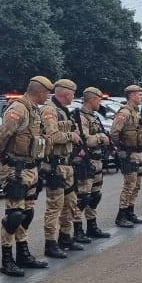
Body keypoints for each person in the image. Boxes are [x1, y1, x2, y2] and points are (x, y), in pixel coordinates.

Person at [0, 76, 53, 274]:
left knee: (26, 213)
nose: (48, 97)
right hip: (15, 169)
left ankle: (23, 253)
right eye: (47, 93)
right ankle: (7, 259)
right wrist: (0, 155)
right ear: (40, 92)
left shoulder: (34, 109)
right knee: (14, 215)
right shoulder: (18, 109)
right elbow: (3, 135)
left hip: (30, 167)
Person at [41, 79, 84, 258]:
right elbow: (51, 135)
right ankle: (50, 243)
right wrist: (71, 136)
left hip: (67, 164)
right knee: (55, 206)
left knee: (70, 203)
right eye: (72, 93)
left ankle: (65, 237)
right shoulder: (49, 110)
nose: (73, 97)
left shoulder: (65, 111)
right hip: (55, 165)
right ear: (66, 93)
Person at [73, 87, 113, 239]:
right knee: (83, 197)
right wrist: (101, 137)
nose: (100, 102)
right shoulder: (80, 117)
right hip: (86, 162)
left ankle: (92, 226)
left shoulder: (93, 116)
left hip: (97, 161)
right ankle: (77, 230)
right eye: (99, 99)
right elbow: (85, 140)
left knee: (95, 196)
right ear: (92, 99)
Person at [111, 84, 142, 228]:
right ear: (132, 96)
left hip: (139, 152)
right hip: (129, 154)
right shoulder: (125, 113)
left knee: (137, 185)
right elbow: (114, 132)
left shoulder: (137, 112)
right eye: (140, 95)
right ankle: (121, 215)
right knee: (129, 185)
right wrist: (121, 148)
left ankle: (130, 212)